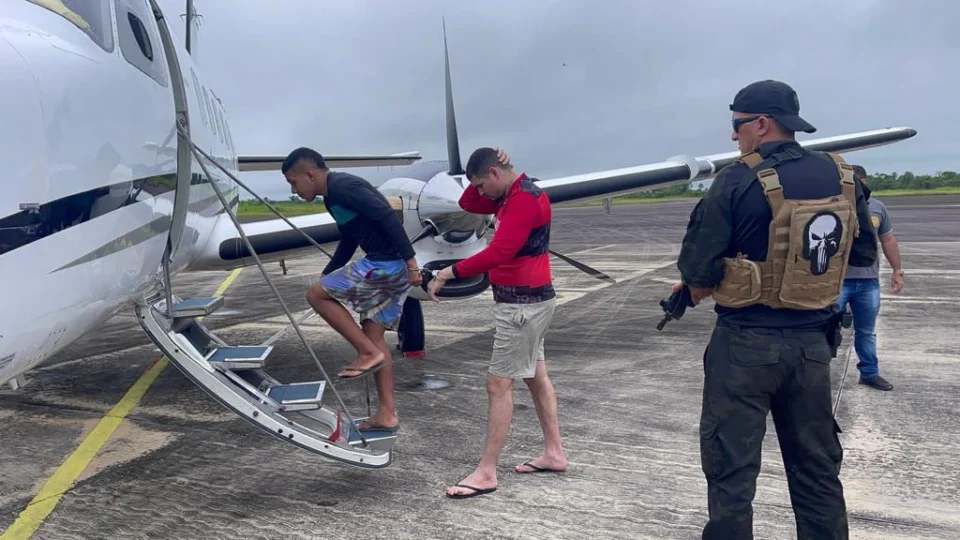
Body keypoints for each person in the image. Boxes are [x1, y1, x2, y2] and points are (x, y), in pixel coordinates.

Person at [674, 79, 878, 539]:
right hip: (813, 347)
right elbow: (863, 253)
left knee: (731, 471)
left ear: (762, 124)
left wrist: (704, 282)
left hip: (744, 346)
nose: (734, 135)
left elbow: (698, 272)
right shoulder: (842, 176)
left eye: (738, 125)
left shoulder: (736, 178)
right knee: (817, 469)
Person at [427, 147, 567, 499]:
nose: (479, 192)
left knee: (498, 383)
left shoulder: (522, 200)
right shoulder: (507, 195)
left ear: (494, 173)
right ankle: (554, 453)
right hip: (528, 301)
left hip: (522, 305)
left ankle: (486, 472)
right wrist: (475, 178)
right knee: (536, 376)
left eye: (481, 184)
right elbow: (466, 204)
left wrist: (447, 272)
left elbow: (500, 252)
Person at [281, 147, 421, 432]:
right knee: (374, 336)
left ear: (310, 174)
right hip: (392, 267)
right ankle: (387, 414)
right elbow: (349, 239)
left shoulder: (343, 187)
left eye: (293, 182)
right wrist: (328, 272)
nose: (293, 190)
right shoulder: (331, 198)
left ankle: (366, 353)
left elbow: (387, 216)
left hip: (386, 265)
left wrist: (412, 263)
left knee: (315, 295)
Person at [837, 165, 903, 391]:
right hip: (838, 282)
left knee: (866, 331)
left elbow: (888, 239)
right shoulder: (836, 205)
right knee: (824, 327)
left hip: (868, 281)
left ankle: (869, 373)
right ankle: (815, 375)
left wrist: (897, 270)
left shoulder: (877, 207)